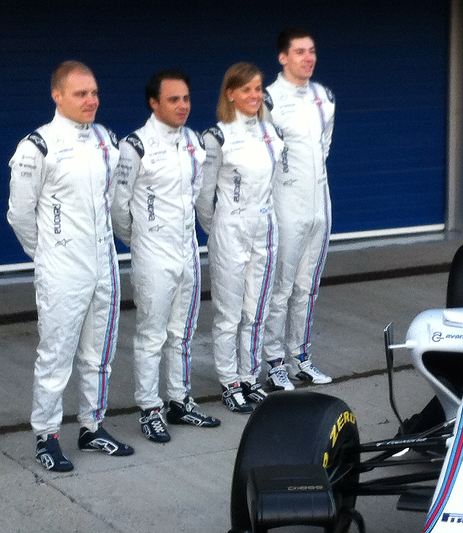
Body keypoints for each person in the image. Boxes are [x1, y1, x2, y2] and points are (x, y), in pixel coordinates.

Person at [7, 61, 134, 471]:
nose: (90, 100)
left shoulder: (106, 140)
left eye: (94, 92)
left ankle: (92, 426)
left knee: (100, 353)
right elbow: (20, 216)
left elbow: (111, 199)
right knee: (56, 354)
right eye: (80, 93)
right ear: (57, 95)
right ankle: (47, 434)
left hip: (104, 265)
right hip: (63, 269)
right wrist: (48, 255)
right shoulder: (36, 147)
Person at [111, 69, 220, 443]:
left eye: (186, 98)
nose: (183, 106)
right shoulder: (134, 145)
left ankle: (179, 399)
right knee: (151, 335)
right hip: (153, 255)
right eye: (173, 99)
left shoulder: (193, 142)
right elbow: (118, 207)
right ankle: (149, 407)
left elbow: (196, 193)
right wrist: (141, 239)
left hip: (187, 250)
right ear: (154, 103)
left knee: (183, 333)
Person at [197, 62, 284, 413]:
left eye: (258, 88)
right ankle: (229, 381)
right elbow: (204, 196)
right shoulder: (216, 136)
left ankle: (249, 376)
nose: (254, 95)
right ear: (230, 93)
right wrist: (217, 227)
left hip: (264, 228)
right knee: (229, 312)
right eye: (246, 89)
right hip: (230, 229)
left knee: (256, 309)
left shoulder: (269, 132)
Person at [262, 28, 335, 390]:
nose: (308, 58)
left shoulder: (324, 97)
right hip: (286, 204)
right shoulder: (268, 99)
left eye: (312, 51)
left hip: (320, 202)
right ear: (283, 58)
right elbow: (263, 156)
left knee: (308, 286)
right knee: (281, 286)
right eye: (300, 52)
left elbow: (324, 146)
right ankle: (274, 361)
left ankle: (301, 357)